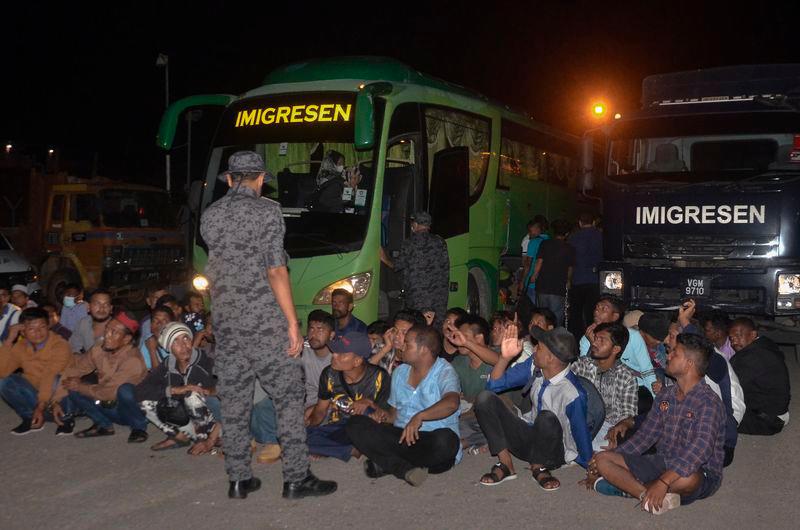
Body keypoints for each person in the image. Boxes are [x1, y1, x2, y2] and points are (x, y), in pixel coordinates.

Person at [199, 150, 336, 500]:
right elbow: (276, 269)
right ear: (260, 179)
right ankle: (296, 478)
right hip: (263, 324)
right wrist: (292, 323)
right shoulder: (268, 211)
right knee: (289, 398)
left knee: (234, 401)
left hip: (226, 324)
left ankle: (238, 479)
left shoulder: (210, 215)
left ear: (229, 179)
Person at [592, 334, 726, 515]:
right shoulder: (666, 395)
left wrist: (664, 481)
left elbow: (701, 449)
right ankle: (644, 494)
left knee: (689, 479)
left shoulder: (708, 402)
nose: (668, 356)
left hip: (699, 471)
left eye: (674, 354)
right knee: (603, 459)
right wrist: (610, 458)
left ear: (689, 364)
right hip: (662, 462)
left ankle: (627, 488)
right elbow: (645, 436)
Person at [474, 324, 592, 489]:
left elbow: (581, 432)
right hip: (527, 439)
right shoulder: (534, 366)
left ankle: (539, 467)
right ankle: (506, 463)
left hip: (552, 451)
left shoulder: (572, 393)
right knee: (484, 398)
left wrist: (591, 467)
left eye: (539, 347)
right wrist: (504, 358)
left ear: (550, 358)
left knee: (547, 417)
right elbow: (493, 386)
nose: (534, 348)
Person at [347, 324, 461, 487]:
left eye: (408, 344)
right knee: (355, 424)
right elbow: (393, 416)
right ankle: (404, 469)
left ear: (423, 349)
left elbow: (452, 403)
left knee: (447, 440)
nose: (402, 346)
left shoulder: (444, 371)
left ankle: (389, 463)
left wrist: (420, 416)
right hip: (402, 438)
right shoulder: (400, 373)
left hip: (429, 441)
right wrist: (376, 410)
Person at [51, 310, 149, 442]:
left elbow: (109, 393)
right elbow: (75, 370)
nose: (107, 335)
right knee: (72, 384)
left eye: (114, 332)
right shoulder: (98, 349)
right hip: (107, 405)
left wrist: (81, 387)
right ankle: (104, 425)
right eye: (107, 329)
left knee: (125, 390)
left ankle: (139, 427)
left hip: (128, 411)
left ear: (126, 339)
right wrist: (56, 400)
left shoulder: (133, 360)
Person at [136, 322, 221, 454]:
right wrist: (173, 390)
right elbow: (140, 391)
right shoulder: (167, 365)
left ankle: (204, 440)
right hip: (188, 421)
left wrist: (210, 391)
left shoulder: (206, 360)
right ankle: (179, 436)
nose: (183, 346)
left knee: (192, 395)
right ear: (168, 348)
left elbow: (230, 392)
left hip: (215, 422)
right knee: (145, 403)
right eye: (175, 341)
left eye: (186, 338)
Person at [306, 332, 390, 461]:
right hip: (339, 426)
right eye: (335, 351)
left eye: (341, 354)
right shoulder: (328, 374)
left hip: (365, 427)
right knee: (295, 438)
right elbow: (321, 410)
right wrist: (307, 426)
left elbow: (388, 417)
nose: (334, 355)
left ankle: (329, 448)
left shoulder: (379, 376)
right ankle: (350, 449)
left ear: (357, 361)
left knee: (367, 415)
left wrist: (370, 404)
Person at [0, 308, 72, 434]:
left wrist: (40, 406)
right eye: (31, 329)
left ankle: (66, 418)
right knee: (4, 382)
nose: (38, 332)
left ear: (48, 326)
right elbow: (2, 372)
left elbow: (50, 376)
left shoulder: (60, 345)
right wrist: (10, 339)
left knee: (57, 381)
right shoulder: (21, 347)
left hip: (60, 397)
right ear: (22, 331)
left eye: (42, 327)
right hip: (38, 396)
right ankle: (30, 418)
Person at [570, 322, 637, 451]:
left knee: (617, 442)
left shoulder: (626, 377)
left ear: (616, 349)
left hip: (607, 425)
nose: (594, 343)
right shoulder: (581, 364)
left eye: (602, 340)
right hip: (580, 418)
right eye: (596, 338)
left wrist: (621, 426)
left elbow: (628, 414)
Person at [380, 211, 450, 327]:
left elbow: (397, 265)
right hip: (439, 296)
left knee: (419, 326)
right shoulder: (440, 242)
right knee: (435, 327)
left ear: (416, 224)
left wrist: (384, 259)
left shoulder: (410, 243)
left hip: (418, 297)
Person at [580, 296, 657, 397]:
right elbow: (584, 373)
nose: (597, 311)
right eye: (597, 307)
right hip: (602, 387)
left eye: (604, 309)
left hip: (635, 387)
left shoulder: (632, 336)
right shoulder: (587, 339)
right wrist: (592, 344)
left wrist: (655, 398)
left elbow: (647, 370)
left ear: (615, 316)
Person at [729, 318, 790, 435]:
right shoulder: (764, 344)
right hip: (776, 413)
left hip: (768, 421)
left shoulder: (752, 357)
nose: (734, 342)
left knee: (711, 417)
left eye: (738, 336)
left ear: (753, 334)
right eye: (731, 339)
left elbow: (727, 387)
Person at [446, 314, 497, 452]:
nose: (458, 339)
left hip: (498, 414)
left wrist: (467, 343)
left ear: (479, 338)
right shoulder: (459, 361)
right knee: (448, 424)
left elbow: (498, 361)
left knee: (500, 423)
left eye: (463, 335)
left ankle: (468, 442)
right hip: (472, 417)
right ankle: (482, 439)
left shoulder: (497, 354)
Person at [531, 219, 575, 326]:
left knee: (541, 315)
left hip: (543, 285)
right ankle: (554, 339)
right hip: (558, 287)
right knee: (556, 317)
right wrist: (568, 281)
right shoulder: (569, 248)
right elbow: (570, 267)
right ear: (567, 233)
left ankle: (540, 337)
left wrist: (534, 275)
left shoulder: (545, 244)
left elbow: (539, 261)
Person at [567, 212, 602, 338]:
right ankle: (592, 338)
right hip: (594, 280)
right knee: (592, 313)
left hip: (577, 280)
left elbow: (569, 260)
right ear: (593, 222)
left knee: (575, 313)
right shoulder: (600, 236)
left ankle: (575, 340)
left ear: (580, 223)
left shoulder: (573, 237)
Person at [369, 309, 426, 373]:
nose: (397, 336)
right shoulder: (382, 347)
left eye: (404, 333)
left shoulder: (419, 360)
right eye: (395, 330)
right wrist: (385, 349)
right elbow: (367, 373)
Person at [69, 288, 113, 354]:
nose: (101, 308)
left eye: (106, 305)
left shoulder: (118, 328)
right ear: (88, 307)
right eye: (97, 304)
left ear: (111, 308)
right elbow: (74, 347)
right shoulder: (83, 323)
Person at [518, 216, 549, 303]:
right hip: (544, 283)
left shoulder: (533, 242)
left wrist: (522, 281)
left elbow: (528, 264)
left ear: (538, 229)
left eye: (531, 231)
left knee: (531, 309)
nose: (529, 234)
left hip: (532, 282)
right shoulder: (549, 240)